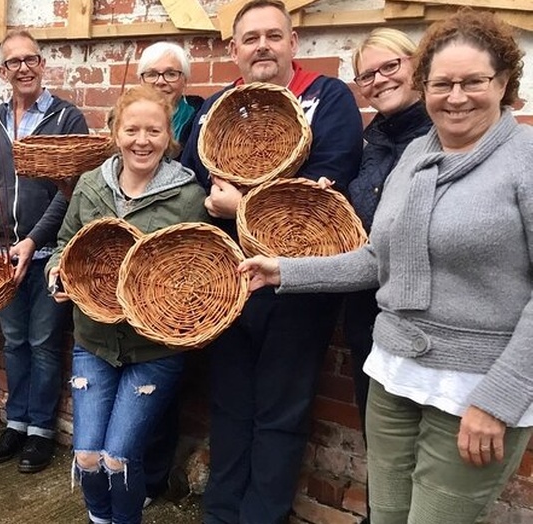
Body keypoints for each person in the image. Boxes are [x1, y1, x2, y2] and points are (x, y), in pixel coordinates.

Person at [241, 10, 533, 523]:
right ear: (427, 85)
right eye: (442, 83)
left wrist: (502, 397)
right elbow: (379, 258)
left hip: (475, 389)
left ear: (504, 82)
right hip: (393, 376)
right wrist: (285, 272)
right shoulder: (414, 156)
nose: (456, 96)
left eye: (474, 81)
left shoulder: (524, 162)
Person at [179, 1, 363, 522]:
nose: (263, 46)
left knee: (282, 410)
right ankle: (221, 511)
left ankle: (263, 515)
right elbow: (193, 183)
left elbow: (328, 181)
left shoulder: (327, 100)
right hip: (230, 281)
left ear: (293, 42)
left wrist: (241, 207)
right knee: (231, 402)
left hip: (297, 282)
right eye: (251, 38)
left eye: (273, 36)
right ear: (234, 50)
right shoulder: (218, 109)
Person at [47, 85, 209, 524]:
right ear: (115, 132)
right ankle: (101, 519)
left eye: (153, 130)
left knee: (118, 457)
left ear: (168, 136)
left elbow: (204, 267)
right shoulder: (89, 185)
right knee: (86, 456)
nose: (142, 140)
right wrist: (57, 273)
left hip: (153, 350)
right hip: (94, 340)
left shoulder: (189, 197)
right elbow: (64, 243)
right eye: (132, 129)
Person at [0, 29, 88, 474]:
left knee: (44, 343)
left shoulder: (67, 118)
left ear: (42, 64)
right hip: (1, 258)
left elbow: (70, 189)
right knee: (15, 342)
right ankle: (15, 424)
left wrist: (32, 240)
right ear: (2, 72)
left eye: (30, 59)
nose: (23, 68)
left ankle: (41, 432)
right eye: (13, 62)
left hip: (48, 253)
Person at [346, 28, 432, 434]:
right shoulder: (374, 142)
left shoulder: (441, 136)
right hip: (367, 305)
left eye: (391, 66)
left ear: (416, 64)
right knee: (378, 432)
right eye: (367, 75)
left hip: (423, 311)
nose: (379, 79)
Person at [135, 40, 203, 505]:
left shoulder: (198, 123)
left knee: (160, 383)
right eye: (153, 74)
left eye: (171, 73)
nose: (162, 82)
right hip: (126, 266)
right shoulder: (132, 124)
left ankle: (153, 477)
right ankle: (130, 472)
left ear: (184, 80)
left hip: (176, 268)